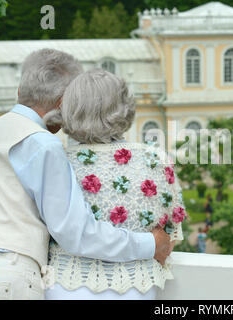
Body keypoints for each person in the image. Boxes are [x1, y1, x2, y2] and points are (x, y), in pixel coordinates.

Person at [0, 49, 172, 300]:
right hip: (12, 276)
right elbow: (75, 232)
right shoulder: (43, 144)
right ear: (62, 104)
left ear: (19, 93)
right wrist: (150, 245)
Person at [44, 69, 185, 300]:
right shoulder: (157, 160)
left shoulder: (57, 160)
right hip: (137, 287)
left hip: (65, 285)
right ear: (125, 107)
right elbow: (169, 238)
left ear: (69, 109)